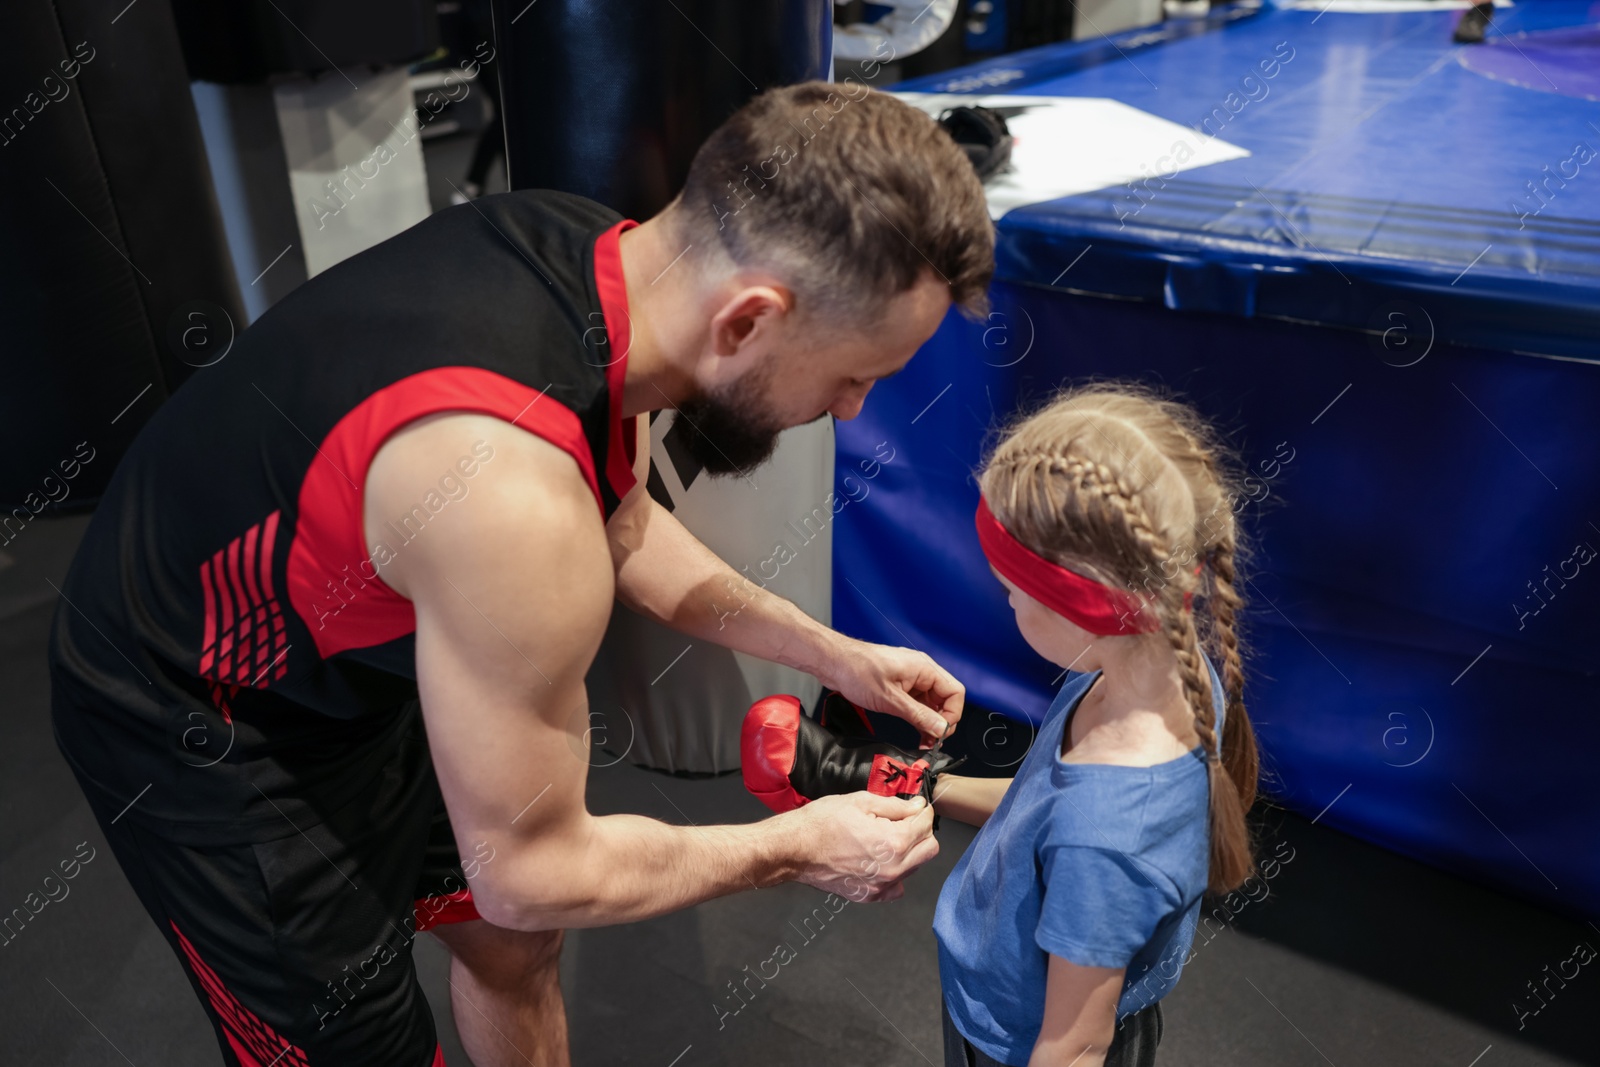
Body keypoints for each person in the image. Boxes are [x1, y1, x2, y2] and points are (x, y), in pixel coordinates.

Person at [47, 82, 994, 1067]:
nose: (850, 410)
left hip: (349, 648)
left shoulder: (598, 259)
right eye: (855, 375)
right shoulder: (507, 503)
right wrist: (800, 848)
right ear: (750, 318)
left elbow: (618, 514)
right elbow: (535, 869)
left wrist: (829, 653)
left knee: (509, 942)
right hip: (197, 717)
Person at [928, 386, 1261, 1066]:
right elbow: (1037, 809)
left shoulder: (1106, 840)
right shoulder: (1147, 670)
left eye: (1013, 590)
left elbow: (1076, 1043)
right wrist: (929, 787)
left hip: (1013, 1044)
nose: (1007, 601)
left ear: (1088, 610)